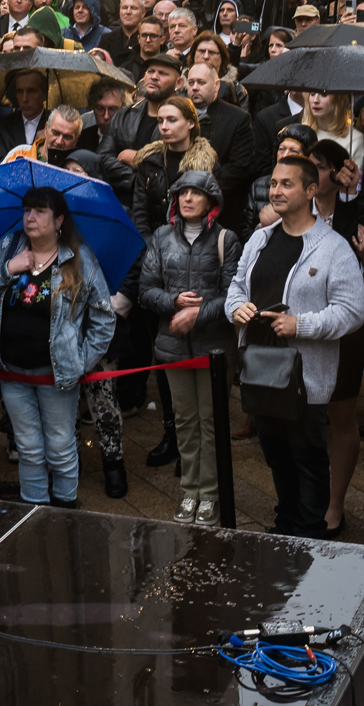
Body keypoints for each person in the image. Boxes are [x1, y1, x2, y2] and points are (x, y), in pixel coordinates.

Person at [225, 153, 364, 539]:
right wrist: (237, 308)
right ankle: (284, 526)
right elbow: (236, 288)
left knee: (307, 458)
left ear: (310, 190)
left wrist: (300, 324)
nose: (275, 190)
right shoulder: (260, 239)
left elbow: (352, 312)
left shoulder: (333, 248)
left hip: (305, 376)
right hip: (259, 366)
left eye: (286, 184)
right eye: (273, 183)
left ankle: (311, 534)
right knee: (275, 455)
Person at [0, 186, 117, 507]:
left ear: (59, 219)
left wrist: (80, 361)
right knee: (28, 447)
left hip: (56, 375)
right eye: (26, 210)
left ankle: (66, 509)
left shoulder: (79, 259)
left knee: (61, 447)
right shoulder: (9, 249)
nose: (30, 217)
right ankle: (34, 512)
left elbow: (104, 317)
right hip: (12, 370)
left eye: (39, 211)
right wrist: (9, 269)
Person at [137, 166, 235, 524]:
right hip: (173, 347)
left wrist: (199, 313)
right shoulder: (161, 238)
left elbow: (233, 298)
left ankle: (210, 494)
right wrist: (174, 301)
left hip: (214, 350)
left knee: (211, 422)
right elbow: (145, 291)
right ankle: (189, 491)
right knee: (185, 421)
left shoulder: (227, 240)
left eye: (196, 192)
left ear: (211, 199)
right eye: (182, 193)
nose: (188, 198)